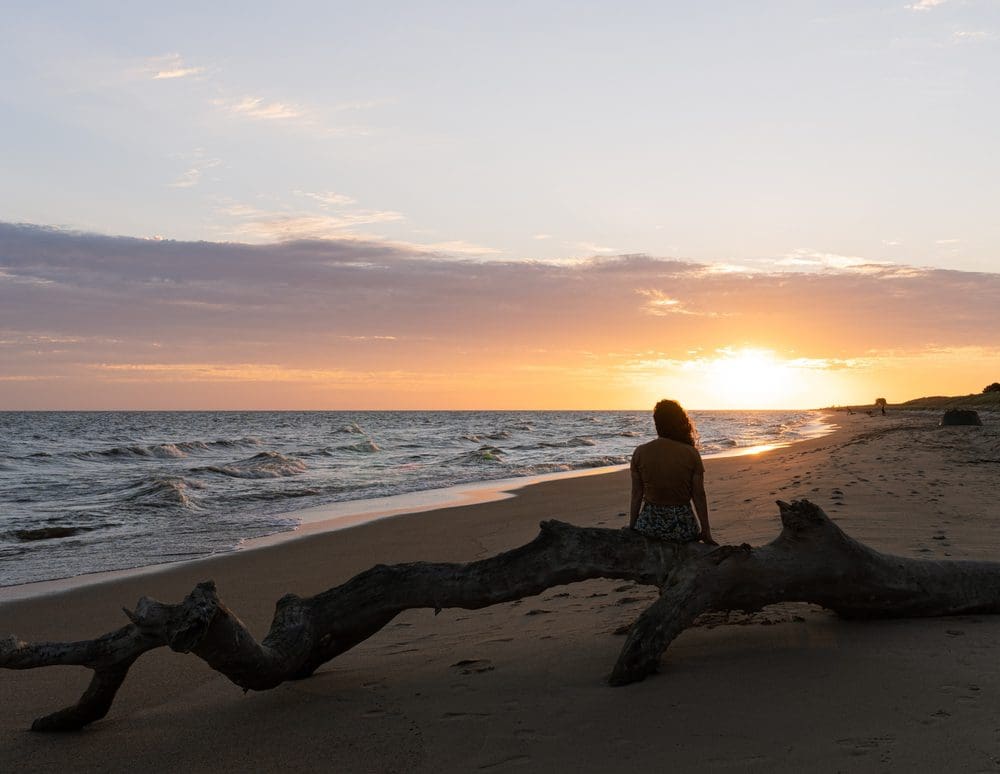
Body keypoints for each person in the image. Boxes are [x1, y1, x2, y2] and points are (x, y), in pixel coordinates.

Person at [629, 399, 716, 544]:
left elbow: (637, 494)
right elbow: (699, 495)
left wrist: (632, 526)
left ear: (657, 423)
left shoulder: (640, 452)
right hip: (682, 527)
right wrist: (705, 531)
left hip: (650, 526)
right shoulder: (691, 453)